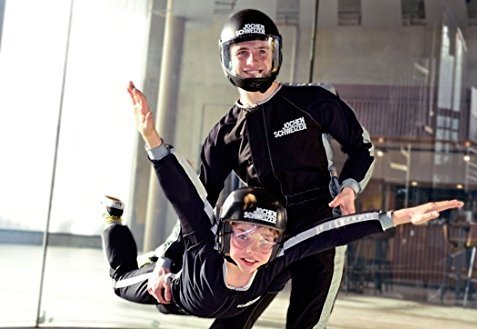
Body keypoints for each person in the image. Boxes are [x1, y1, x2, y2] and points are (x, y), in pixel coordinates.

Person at [141, 8, 376, 328]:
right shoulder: (222, 135)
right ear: (228, 59)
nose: (253, 61)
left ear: (275, 53)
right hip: (260, 239)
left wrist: (350, 187)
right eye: (243, 53)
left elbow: (362, 149)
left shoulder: (314, 100)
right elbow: (197, 203)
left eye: (262, 51)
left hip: (318, 229)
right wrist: (168, 258)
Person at [101, 140, 463, 319]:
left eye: (266, 239)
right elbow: (186, 198)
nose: (254, 249)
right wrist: (153, 142)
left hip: (215, 308)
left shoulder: (276, 258)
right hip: (178, 289)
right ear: (224, 234)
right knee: (121, 281)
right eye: (243, 235)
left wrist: (398, 217)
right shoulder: (207, 249)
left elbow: (332, 232)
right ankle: (113, 221)